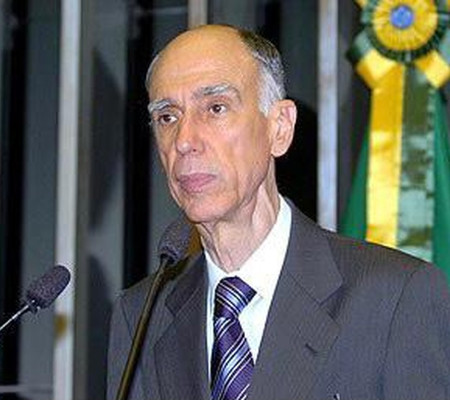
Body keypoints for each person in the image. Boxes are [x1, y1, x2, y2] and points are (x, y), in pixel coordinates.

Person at [107, 25, 450, 400]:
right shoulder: (141, 317)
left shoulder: (395, 297)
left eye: (216, 108)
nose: (185, 141)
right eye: (167, 117)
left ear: (280, 128)